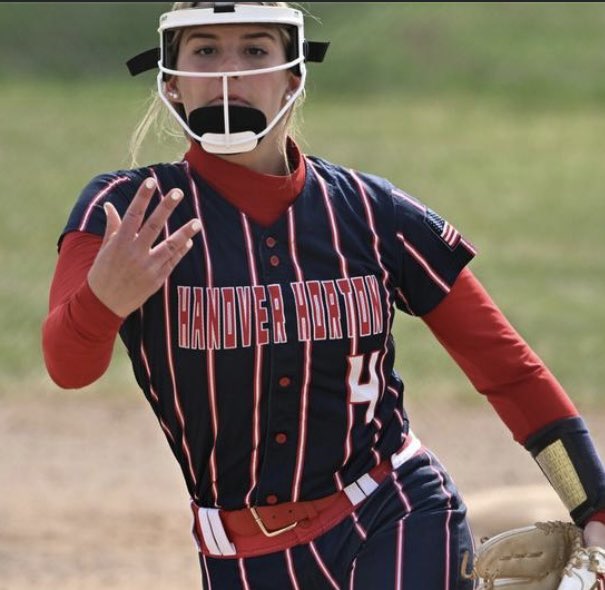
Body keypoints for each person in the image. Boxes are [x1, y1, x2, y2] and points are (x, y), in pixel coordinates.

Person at [42, 2, 605, 588]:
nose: (230, 71)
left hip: (396, 510)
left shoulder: (369, 211)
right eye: (205, 51)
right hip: (236, 555)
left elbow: (505, 368)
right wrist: (103, 300)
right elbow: (68, 367)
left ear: (294, 74)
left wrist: (595, 506)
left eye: (256, 50)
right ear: (172, 81)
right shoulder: (127, 214)